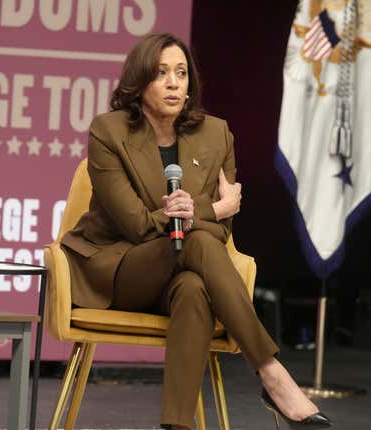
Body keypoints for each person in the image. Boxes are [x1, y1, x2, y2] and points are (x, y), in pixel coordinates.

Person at [61, 32, 331, 430]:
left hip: (182, 266)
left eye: (181, 73)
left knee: (195, 288)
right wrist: (211, 208)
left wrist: (200, 218)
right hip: (119, 270)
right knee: (195, 238)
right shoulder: (108, 132)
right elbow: (135, 225)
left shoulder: (216, 134)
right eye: (161, 73)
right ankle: (272, 374)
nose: (173, 83)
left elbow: (221, 234)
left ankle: (176, 425)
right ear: (139, 83)